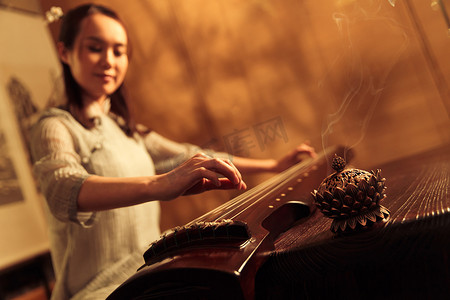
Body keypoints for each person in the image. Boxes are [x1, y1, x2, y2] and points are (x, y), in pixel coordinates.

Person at [30, 4, 316, 300]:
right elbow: (62, 187)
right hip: (98, 291)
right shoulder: (54, 126)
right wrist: (162, 183)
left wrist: (274, 164)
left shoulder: (127, 130)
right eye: (95, 48)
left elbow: (190, 156)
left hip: (146, 274)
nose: (109, 61)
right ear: (64, 52)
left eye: (119, 51)